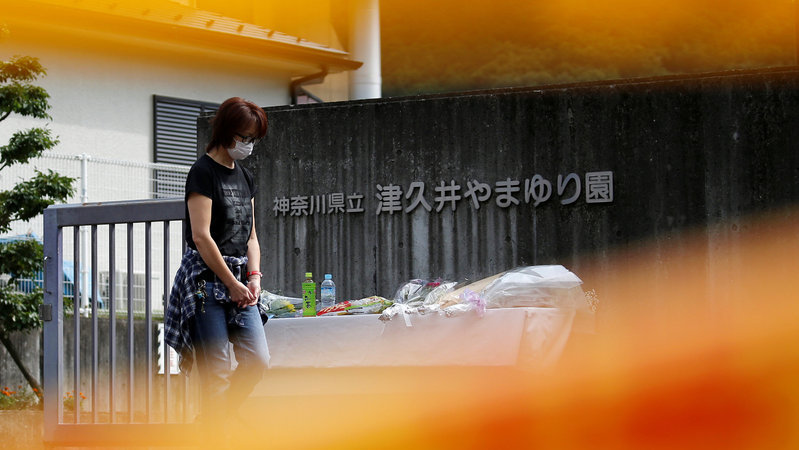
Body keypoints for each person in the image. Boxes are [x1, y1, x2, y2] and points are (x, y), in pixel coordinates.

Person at [165, 97, 269, 434]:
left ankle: (212, 422)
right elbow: (201, 236)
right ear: (225, 131)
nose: (248, 144)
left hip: (239, 280)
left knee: (258, 360)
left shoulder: (246, 177)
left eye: (253, 138)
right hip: (203, 282)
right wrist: (231, 283)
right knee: (217, 369)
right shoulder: (202, 172)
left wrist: (253, 278)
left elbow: (251, 236)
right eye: (244, 137)